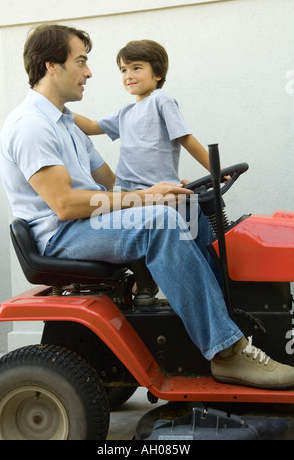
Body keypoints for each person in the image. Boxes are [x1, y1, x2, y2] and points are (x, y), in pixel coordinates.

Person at [0, 24, 294, 390]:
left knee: (188, 213)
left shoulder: (67, 127)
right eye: (81, 62)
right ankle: (227, 351)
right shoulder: (31, 125)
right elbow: (65, 205)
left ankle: (233, 318)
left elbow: (109, 184)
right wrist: (148, 198)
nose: (89, 72)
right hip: (61, 234)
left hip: (85, 222)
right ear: (50, 66)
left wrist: (165, 191)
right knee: (161, 222)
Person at [73, 39, 215, 304]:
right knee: (127, 231)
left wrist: (216, 171)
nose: (128, 75)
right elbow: (92, 125)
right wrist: (59, 109)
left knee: (196, 226)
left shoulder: (161, 100)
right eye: (123, 70)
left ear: (157, 73)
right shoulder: (125, 113)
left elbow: (186, 138)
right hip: (129, 192)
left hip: (161, 192)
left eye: (136, 68)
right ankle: (145, 281)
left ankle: (211, 284)